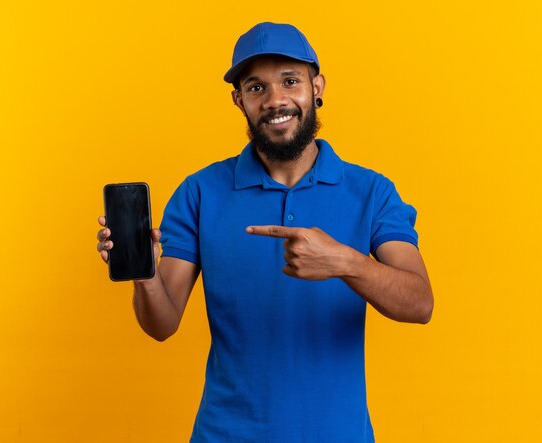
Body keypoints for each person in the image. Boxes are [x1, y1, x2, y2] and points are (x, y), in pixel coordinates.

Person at [96, 22, 433, 443]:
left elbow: (420, 303)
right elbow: (162, 325)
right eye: (256, 88)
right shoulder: (200, 192)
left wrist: (344, 261)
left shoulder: (372, 192)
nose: (276, 100)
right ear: (239, 101)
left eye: (290, 81)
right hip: (225, 434)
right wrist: (143, 274)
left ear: (317, 87)